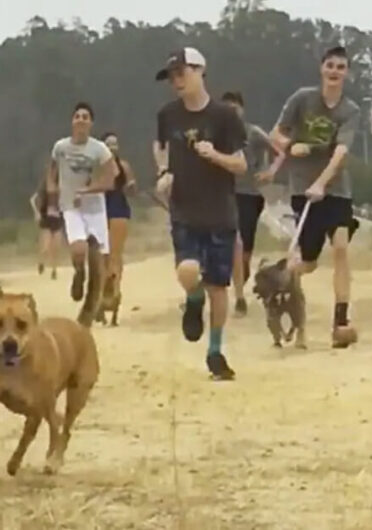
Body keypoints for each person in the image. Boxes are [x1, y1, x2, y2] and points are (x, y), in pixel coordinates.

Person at [153, 47, 247, 380]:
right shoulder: (168, 114)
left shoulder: (224, 116)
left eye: (182, 73)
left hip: (221, 213)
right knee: (188, 271)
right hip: (184, 210)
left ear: (200, 71)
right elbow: (160, 146)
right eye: (172, 76)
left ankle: (215, 351)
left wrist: (216, 155)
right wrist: (163, 172)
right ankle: (193, 301)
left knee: (218, 287)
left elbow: (241, 164)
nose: (177, 81)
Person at [269, 45, 361, 349]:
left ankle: (340, 320)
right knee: (306, 263)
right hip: (302, 191)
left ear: (347, 73)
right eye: (330, 65)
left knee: (340, 247)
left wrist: (323, 183)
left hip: (335, 191)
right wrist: (290, 145)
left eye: (341, 67)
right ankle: (280, 287)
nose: (335, 71)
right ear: (322, 69)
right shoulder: (302, 99)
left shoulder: (350, 111)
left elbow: (341, 153)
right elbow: (276, 135)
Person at [46, 102, 117, 325]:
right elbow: (51, 174)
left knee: (102, 259)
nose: (81, 120)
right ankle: (79, 273)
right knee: (78, 250)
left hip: (94, 207)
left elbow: (110, 180)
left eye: (85, 117)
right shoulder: (60, 147)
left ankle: (96, 301)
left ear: (91, 123)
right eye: (77, 116)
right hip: (71, 206)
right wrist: (51, 200)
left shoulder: (100, 150)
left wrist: (88, 189)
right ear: (72, 121)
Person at [221, 91, 285, 317]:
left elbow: (279, 154)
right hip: (225, 194)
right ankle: (237, 297)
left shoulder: (254, 133)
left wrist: (270, 172)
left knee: (244, 253)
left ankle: (238, 284)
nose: (232, 112)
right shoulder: (218, 135)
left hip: (249, 195)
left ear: (242, 109)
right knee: (232, 244)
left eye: (235, 108)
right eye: (227, 108)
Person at [100, 131, 137, 307]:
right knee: (102, 255)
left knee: (116, 254)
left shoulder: (124, 166)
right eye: (109, 143)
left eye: (115, 143)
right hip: (99, 211)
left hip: (118, 209)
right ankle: (103, 290)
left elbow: (131, 188)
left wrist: (131, 186)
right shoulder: (97, 167)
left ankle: (115, 290)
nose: (112, 147)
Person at [29, 175, 64, 280]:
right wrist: (37, 212)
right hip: (46, 219)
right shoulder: (44, 186)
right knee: (45, 246)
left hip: (58, 219)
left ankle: (54, 270)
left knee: (56, 247)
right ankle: (41, 262)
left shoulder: (62, 185)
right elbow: (32, 199)